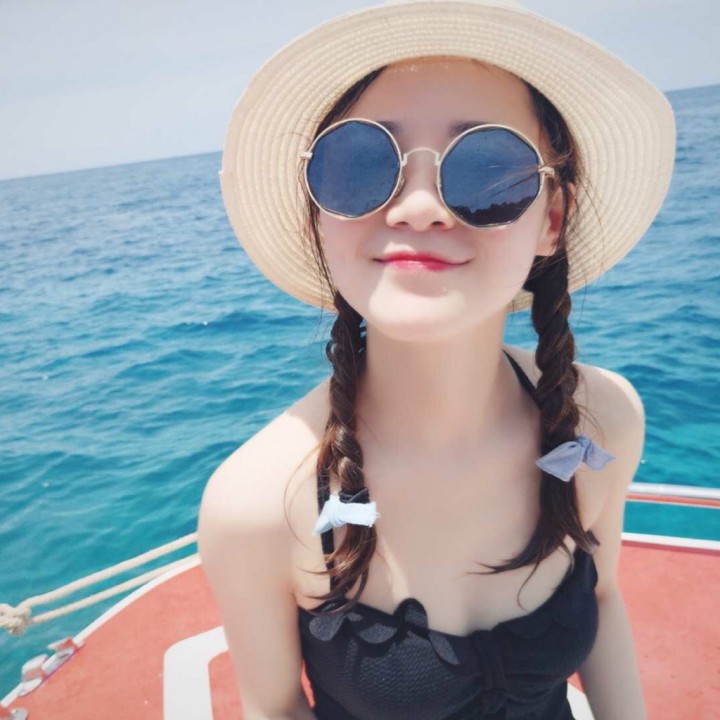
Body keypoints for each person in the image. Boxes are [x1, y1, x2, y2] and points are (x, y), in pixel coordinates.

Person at [197, 1, 675, 718]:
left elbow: (601, 598)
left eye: (489, 168)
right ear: (319, 216)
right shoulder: (259, 503)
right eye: (359, 164)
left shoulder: (601, 420)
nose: (417, 207)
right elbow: (275, 709)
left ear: (552, 219)